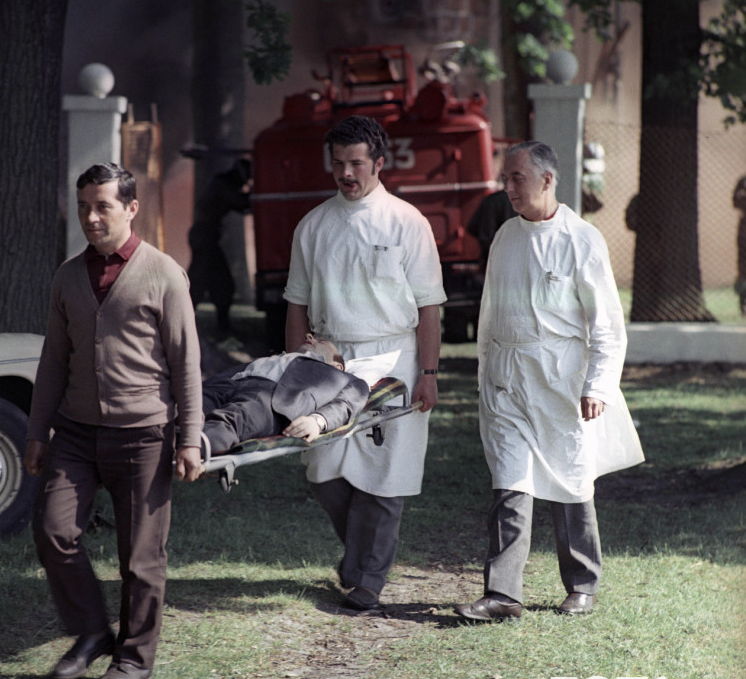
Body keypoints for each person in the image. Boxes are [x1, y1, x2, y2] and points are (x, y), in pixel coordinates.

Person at [24, 162, 204, 679]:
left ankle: (135, 657)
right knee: (54, 531)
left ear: (131, 208)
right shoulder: (66, 276)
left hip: (145, 434)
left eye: (102, 206)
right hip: (76, 433)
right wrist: (37, 432)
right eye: (84, 207)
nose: (91, 217)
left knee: (141, 558)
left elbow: (186, 362)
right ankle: (90, 633)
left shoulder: (164, 273)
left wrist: (189, 438)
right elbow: (53, 361)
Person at [455, 141, 644, 623]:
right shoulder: (505, 236)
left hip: (562, 382)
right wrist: (487, 376)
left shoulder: (582, 239)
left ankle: (582, 584)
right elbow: (490, 313)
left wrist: (598, 386)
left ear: (547, 179)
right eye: (505, 178)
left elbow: (607, 325)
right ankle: (502, 594)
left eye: (516, 177)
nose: (507, 187)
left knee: (571, 479)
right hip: (507, 380)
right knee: (509, 480)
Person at [284, 115, 446, 611]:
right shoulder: (313, 226)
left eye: (356, 163)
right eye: (338, 163)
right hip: (329, 360)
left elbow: (429, 307)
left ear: (379, 163)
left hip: (395, 359)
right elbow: (296, 304)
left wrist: (429, 374)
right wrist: (293, 369)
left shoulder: (407, 222)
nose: (346, 173)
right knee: (324, 469)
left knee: (385, 471)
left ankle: (367, 580)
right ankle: (362, 559)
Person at [202, 333, 369, 455]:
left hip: (271, 396)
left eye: (321, 341)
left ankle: (197, 447)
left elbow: (349, 403)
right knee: (192, 410)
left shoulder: (343, 377)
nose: (308, 336)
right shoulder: (272, 359)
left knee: (230, 420)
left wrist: (317, 421)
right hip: (227, 385)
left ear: (337, 365)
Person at [187, 158, 252, 336]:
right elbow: (243, 204)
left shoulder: (221, 184)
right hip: (204, 238)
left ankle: (221, 326)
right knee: (201, 284)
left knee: (220, 284)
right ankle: (184, 323)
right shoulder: (222, 185)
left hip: (206, 238)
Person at [733, 175, 746, 315]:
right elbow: (736, 201)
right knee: (743, 269)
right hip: (744, 237)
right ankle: (743, 301)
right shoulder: (743, 182)